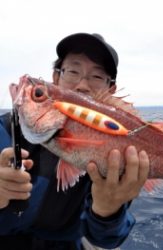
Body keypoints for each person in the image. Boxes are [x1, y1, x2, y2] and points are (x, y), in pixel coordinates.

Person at [0, 33, 150, 250]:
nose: (82, 85)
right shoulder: (4, 129)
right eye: (73, 71)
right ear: (56, 77)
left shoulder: (118, 148)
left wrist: (107, 212)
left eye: (97, 77)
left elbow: (106, 239)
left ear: (111, 90)